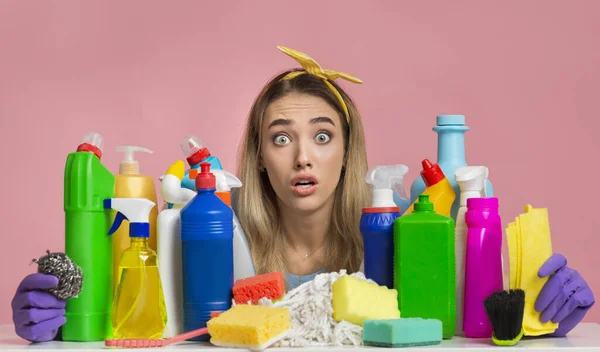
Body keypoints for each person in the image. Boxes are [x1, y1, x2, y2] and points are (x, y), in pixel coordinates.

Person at [11, 46, 595, 343]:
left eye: (322, 135)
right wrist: (60, 323)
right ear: (259, 159)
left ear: (348, 150)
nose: (303, 157)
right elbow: (140, 318)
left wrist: (545, 317)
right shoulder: (211, 240)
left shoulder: (390, 242)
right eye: (281, 137)